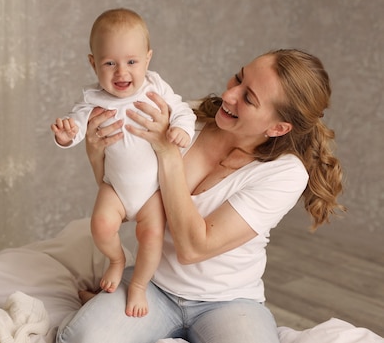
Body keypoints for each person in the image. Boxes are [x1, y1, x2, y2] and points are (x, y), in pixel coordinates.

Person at [56, 48, 344, 343]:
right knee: (80, 338)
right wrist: (96, 153)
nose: (229, 94)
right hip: (151, 286)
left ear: (277, 127)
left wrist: (168, 154)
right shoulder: (185, 119)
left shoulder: (284, 173)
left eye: (248, 98)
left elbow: (193, 248)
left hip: (228, 303)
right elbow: (127, 200)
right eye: (238, 79)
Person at [51, 8, 196, 317]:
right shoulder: (92, 100)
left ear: (147, 58)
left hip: (152, 192)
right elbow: (77, 128)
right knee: (100, 226)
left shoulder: (156, 88)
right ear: (93, 63)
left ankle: (139, 286)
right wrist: (66, 137)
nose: (121, 72)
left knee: (152, 237)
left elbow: (183, 109)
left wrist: (182, 128)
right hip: (114, 187)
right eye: (109, 63)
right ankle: (117, 260)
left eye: (131, 62)